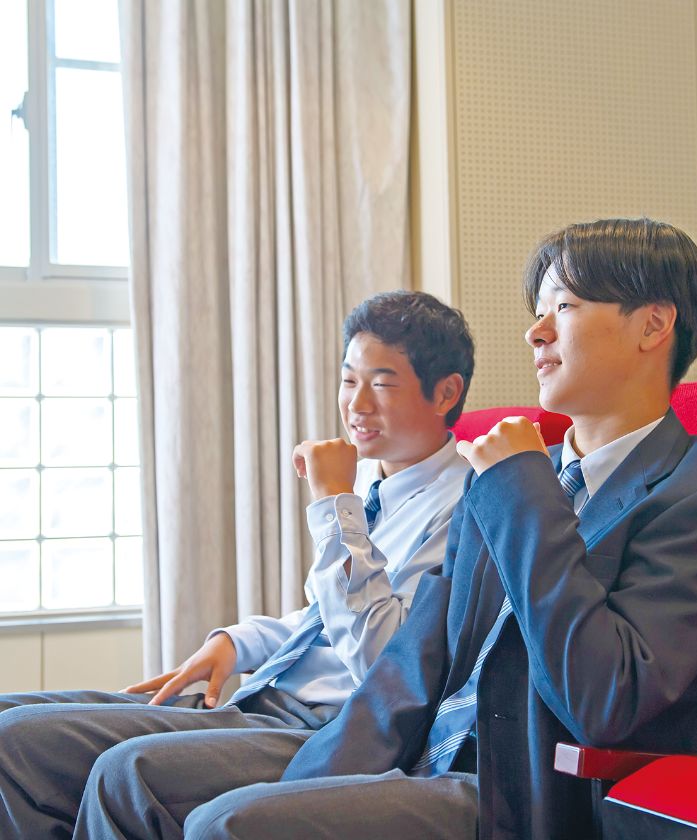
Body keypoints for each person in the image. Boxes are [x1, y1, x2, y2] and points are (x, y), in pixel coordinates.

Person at [176, 218, 697, 840]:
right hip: (422, 759)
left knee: (223, 827)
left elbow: (604, 700)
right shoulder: (514, 476)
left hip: (522, 791)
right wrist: (303, 782)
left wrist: (523, 494)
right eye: (539, 312)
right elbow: (416, 659)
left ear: (653, 325)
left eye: (564, 307)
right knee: (157, 790)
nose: (535, 332)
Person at [0, 290, 475, 838]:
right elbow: (324, 622)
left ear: (446, 392)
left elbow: (388, 663)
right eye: (349, 380)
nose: (357, 405)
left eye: (382, 384)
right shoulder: (370, 481)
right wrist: (239, 640)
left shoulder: (466, 503)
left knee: (126, 774)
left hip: (336, 729)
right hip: (267, 695)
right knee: (15, 735)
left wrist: (333, 504)